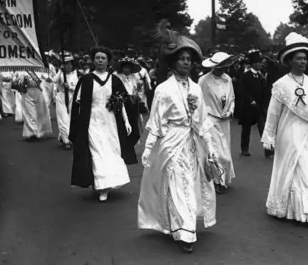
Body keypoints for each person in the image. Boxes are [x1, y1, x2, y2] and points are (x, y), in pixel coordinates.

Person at [138, 22, 218, 253]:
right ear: (172, 62)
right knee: (176, 185)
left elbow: (203, 122)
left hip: (191, 143)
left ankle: (183, 226)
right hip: (171, 142)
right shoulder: (163, 90)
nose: (185, 62)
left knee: (189, 185)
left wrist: (210, 148)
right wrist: (148, 147)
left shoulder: (195, 89)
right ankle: (184, 231)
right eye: (181, 58)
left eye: (188, 59)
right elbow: (155, 121)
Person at [261, 32, 308, 226]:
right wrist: (268, 136)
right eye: (298, 59)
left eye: (305, 59)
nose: (303, 62)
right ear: (290, 61)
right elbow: (273, 113)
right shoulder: (281, 85)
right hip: (288, 132)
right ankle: (300, 210)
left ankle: (299, 211)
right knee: (295, 166)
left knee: (304, 167)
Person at [69, 46, 140, 202]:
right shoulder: (86, 79)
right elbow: (78, 103)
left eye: (103, 58)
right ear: (93, 60)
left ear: (108, 61)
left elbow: (123, 102)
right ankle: (101, 186)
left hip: (111, 121)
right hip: (92, 120)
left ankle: (109, 183)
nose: (100, 61)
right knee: (97, 151)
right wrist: (78, 125)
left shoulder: (114, 80)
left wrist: (127, 121)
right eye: (97, 58)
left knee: (111, 150)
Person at [198, 52, 238, 194]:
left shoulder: (228, 79)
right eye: (221, 67)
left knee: (225, 149)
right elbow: (198, 100)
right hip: (210, 119)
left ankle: (222, 178)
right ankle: (217, 180)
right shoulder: (203, 80)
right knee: (217, 152)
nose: (223, 70)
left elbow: (232, 97)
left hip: (224, 121)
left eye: (225, 67)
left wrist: (231, 110)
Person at [238, 49, 272, 158]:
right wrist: (250, 99)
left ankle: (268, 150)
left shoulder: (261, 75)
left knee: (263, 128)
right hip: (248, 107)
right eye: (258, 63)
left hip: (259, 107)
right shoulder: (245, 75)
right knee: (246, 129)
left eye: (261, 62)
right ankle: (244, 149)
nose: (260, 64)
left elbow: (264, 90)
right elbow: (242, 90)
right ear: (253, 64)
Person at [54, 54, 80, 150]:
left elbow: (78, 87)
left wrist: (70, 87)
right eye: (66, 64)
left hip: (71, 97)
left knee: (69, 119)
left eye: (70, 64)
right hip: (61, 97)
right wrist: (60, 70)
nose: (68, 66)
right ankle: (66, 141)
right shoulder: (61, 74)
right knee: (63, 118)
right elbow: (54, 80)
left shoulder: (75, 74)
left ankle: (63, 136)